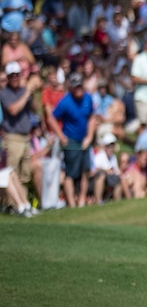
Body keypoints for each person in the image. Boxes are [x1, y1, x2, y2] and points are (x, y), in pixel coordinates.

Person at [50, 72, 98, 207]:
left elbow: (92, 117)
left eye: (80, 86)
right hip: (71, 141)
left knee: (85, 171)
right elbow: (52, 117)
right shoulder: (65, 102)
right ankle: (71, 202)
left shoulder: (88, 98)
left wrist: (89, 137)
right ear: (71, 87)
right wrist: (60, 136)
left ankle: (81, 200)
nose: (79, 89)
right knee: (70, 173)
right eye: (76, 87)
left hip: (84, 140)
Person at [1, 62, 43, 195]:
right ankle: (13, 206)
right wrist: (26, 95)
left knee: (24, 176)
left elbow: (35, 109)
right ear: (7, 77)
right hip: (12, 137)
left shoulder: (23, 91)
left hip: (26, 138)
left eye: (17, 75)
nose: (14, 78)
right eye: (12, 75)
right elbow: (13, 110)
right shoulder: (4, 93)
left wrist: (32, 92)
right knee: (12, 174)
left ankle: (24, 206)